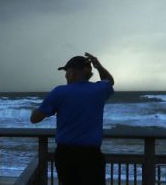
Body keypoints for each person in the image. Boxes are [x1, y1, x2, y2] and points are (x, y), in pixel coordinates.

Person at [30, 52, 115, 185]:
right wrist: (98, 66)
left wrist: (38, 108)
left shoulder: (59, 92)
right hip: (91, 155)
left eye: (66, 71)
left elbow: (35, 119)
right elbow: (110, 81)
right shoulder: (99, 90)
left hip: (66, 155)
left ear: (72, 72)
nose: (65, 75)